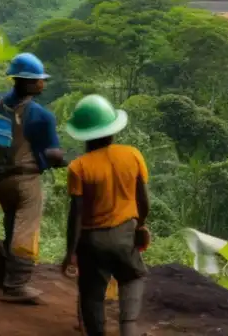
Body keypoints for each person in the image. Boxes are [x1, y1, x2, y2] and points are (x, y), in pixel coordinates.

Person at [0, 52, 66, 302]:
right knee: (26, 229)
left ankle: (2, 276)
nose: (43, 84)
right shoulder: (41, 115)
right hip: (25, 179)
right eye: (39, 80)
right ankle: (16, 285)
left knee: (10, 221)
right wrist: (63, 158)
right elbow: (52, 153)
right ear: (27, 82)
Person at [63, 94, 150, 336]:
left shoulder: (78, 167)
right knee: (132, 277)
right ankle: (129, 328)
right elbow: (143, 199)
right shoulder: (132, 155)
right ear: (112, 131)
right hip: (125, 234)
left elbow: (76, 215)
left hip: (91, 242)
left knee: (92, 294)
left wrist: (70, 252)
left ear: (83, 136)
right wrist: (140, 225)